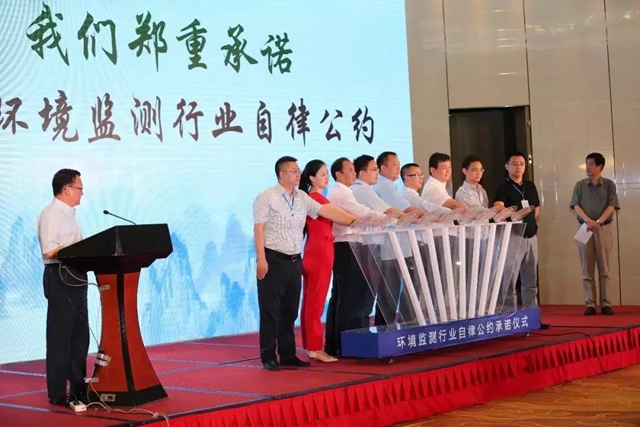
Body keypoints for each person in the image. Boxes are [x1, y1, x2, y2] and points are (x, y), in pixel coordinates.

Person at [253, 156, 357, 371]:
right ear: (282, 174)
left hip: (294, 260)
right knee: (271, 310)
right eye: (293, 171)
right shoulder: (267, 196)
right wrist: (261, 259)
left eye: (298, 170)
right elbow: (259, 228)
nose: (297, 174)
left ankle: (288, 354)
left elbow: (325, 211)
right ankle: (268, 355)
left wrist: (356, 220)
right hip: (272, 259)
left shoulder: (301, 197)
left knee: (289, 310)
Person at [36, 169, 89, 406]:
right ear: (66, 189)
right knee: (60, 337)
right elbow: (49, 250)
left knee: (79, 336)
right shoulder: (51, 214)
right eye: (79, 188)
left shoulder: (69, 215)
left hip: (76, 275)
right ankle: (57, 393)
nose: (82, 193)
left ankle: (78, 387)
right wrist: (79, 249)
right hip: (60, 276)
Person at [324, 157, 387, 357]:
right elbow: (361, 213)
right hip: (347, 246)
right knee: (350, 298)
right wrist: (386, 218)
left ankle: (337, 343)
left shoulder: (345, 191)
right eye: (350, 170)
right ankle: (346, 344)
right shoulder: (340, 193)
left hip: (349, 246)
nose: (354, 173)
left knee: (344, 297)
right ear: (338, 174)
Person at [494, 152, 549, 329]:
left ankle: (531, 318)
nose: (518, 167)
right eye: (515, 164)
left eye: (522, 164)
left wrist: (529, 221)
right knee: (509, 281)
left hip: (531, 237)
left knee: (530, 281)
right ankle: (510, 320)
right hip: (513, 237)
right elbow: (498, 206)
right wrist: (515, 215)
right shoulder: (503, 186)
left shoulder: (530, 186)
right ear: (507, 166)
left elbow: (536, 209)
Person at [570, 152, 620, 316]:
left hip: (603, 228)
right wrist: (588, 221)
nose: (588, 167)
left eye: (591, 164)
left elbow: (611, 206)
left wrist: (598, 221)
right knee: (587, 267)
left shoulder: (609, 185)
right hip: (584, 228)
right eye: (586, 164)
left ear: (600, 166)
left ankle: (606, 303)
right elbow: (576, 206)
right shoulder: (579, 185)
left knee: (604, 268)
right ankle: (590, 303)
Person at [298, 160, 338, 362]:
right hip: (320, 250)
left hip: (317, 248)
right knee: (316, 300)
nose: (326, 177)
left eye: (326, 173)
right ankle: (314, 347)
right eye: (322, 174)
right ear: (312, 178)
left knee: (311, 299)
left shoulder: (314, 197)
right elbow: (341, 217)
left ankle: (312, 345)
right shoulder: (315, 198)